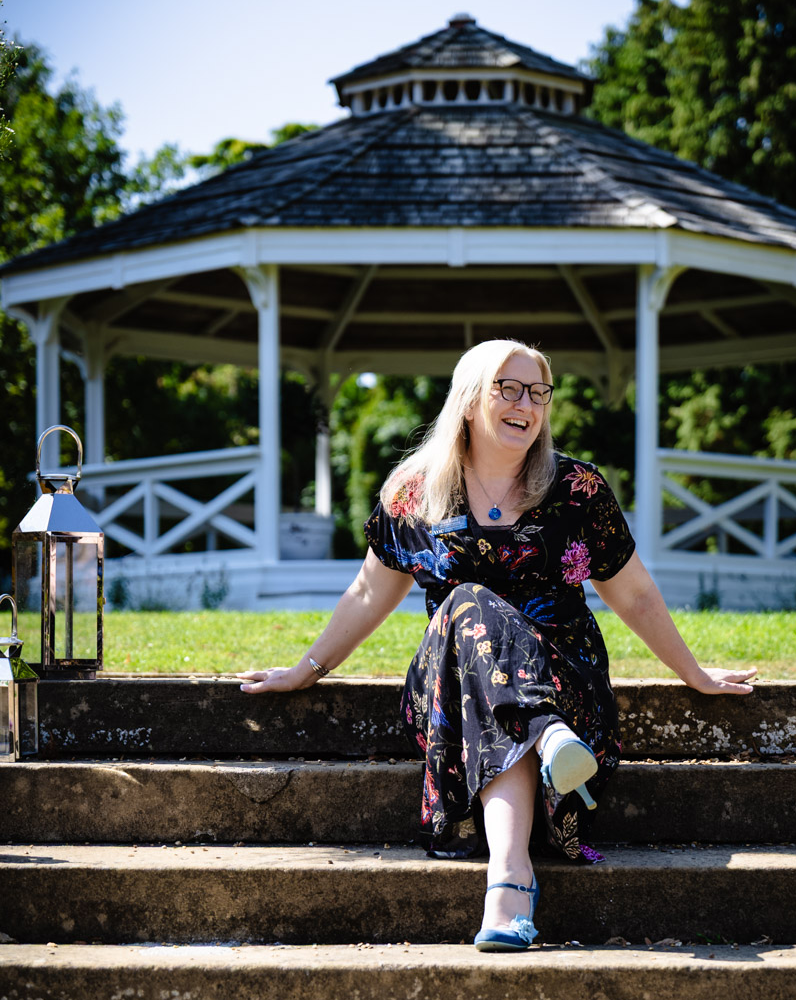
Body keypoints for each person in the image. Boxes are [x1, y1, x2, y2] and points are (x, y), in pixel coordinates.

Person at [239, 339, 755, 952]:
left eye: (538, 392)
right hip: (453, 693)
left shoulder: (577, 489)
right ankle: (546, 740)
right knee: (468, 603)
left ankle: (509, 881)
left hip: (566, 680)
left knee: (490, 652)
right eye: (507, 389)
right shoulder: (414, 492)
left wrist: (693, 672)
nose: (526, 404)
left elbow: (635, 594)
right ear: (467, 400)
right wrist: (307, 668)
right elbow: (366, 592)